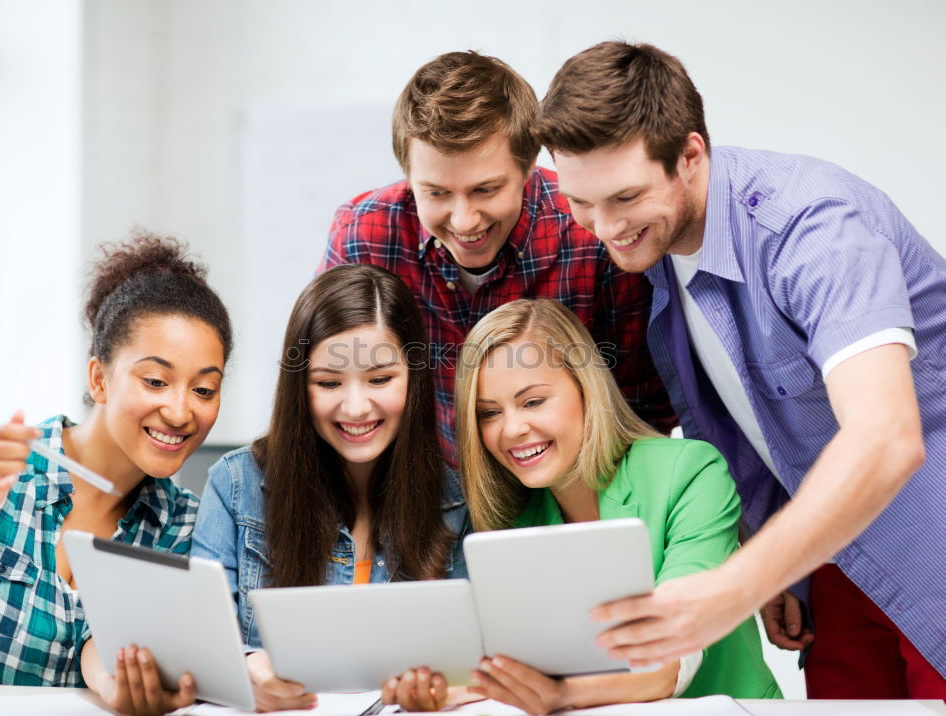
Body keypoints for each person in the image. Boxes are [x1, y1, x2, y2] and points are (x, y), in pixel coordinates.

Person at [534, 40, 946, 697]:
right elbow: (764, 425)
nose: (603, 228)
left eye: (625, 197)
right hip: (840, 562)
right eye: (581, 203)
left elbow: (886, 437)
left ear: (691, 155)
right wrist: (780, 562)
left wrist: (735, 584)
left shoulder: (811, 230)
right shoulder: (661, 248)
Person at [321, 50, 676, 465]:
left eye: (486, 189)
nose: (464, 218)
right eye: (436, 193)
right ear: (409, 178)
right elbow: (335, 386)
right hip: (420, 491)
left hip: (569, 489)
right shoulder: (362, 236)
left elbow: (642, 408)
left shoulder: (594, 235)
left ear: (528, 169)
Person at [0, 232, 234, 714]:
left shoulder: (185, 525)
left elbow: (107, 641)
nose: (181, 412)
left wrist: (112, 682)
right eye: (155, 381)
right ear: (99, 379)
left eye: (204, 389)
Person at [450, 298, 779, 712]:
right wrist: (440, 691)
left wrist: (561, 694)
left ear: (585, 388)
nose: (512, 429)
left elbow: (673, 651)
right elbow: (513, 668)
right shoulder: (515, 518)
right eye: (489, 413)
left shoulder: (690, 472)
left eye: (533, 402)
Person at [191, 264, 470, 712]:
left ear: (415, 379)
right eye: (328, 383)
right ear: (299, 386)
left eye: (380, 379)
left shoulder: (455, 502)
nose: (356, 407)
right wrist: (247, 669)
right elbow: (199, 644)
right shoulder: (236, 484)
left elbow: (475, 668)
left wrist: (445, 689)